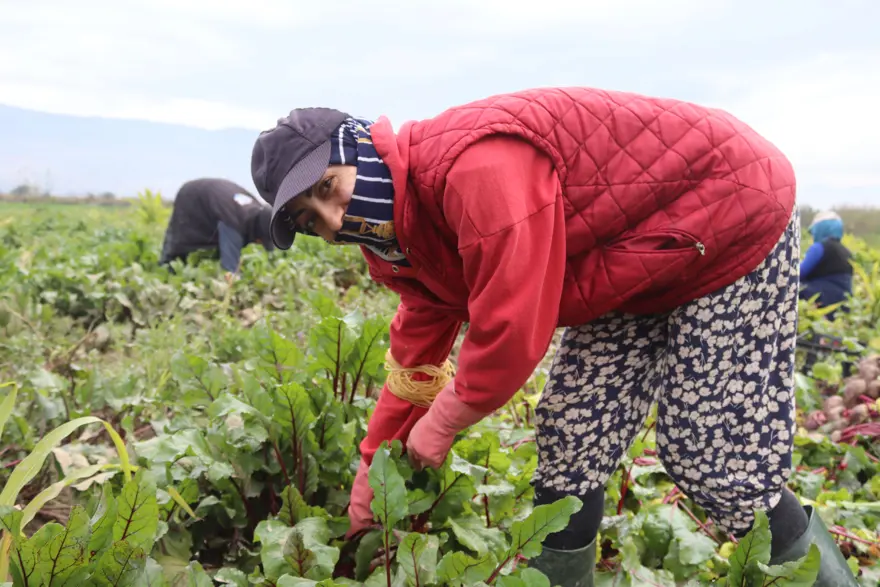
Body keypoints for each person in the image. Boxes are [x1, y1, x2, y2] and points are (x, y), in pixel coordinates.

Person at [249, 88, 858, 586]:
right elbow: (414, 367)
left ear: (360, 148)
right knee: (571, 435)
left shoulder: (472, 168)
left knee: (712, 455)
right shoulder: (401, 246)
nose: (333, 220)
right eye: (310, 221)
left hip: (728, 210)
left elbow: (511, 333)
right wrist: (368, 490)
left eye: (328, 189)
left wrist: (440, 426)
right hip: (634, 259)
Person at [159, 177, 274, 275]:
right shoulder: (234, 223)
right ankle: (164, 272)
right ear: (258, 232)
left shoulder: (257, 210)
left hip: (216, 198)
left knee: (213, 248)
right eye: (261, 240)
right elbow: (230, 268)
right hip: (191, 196)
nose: (259, 243)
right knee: (179, 244)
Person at [799, 210, 853, 311]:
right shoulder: (847, 252)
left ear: (819, 229)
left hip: (823, 298)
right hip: (844, 304)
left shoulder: (819, 247)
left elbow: (799, 274)